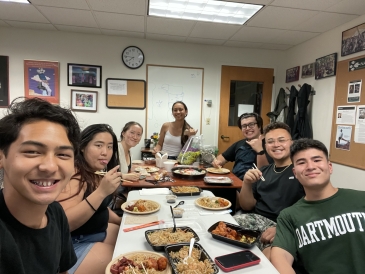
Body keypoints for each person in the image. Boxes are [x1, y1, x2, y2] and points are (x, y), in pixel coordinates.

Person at [0, 97, 79, 273]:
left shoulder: (55, 212)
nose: (50, 166)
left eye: (63, 154)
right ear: (1, 157)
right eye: (32, 152)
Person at [271, 139, 365, 274]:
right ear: (295, 173)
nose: (310, 166)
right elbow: (280, 256)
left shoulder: (361, 199)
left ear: (330, 167)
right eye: (301, 162)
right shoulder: (289, 216)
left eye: (317, 160)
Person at [57, 124, 122, 274]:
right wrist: (101, 192)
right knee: (118, 260)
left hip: (90, 234)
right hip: (71, 244)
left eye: (110, 147)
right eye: (98, 145)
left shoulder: (93, 172)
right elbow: (64, 224)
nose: (105, 152)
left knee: (122, 234)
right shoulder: (75, 175)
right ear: (82, 147)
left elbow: (99, 207)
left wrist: (122, 221)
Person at [234, 122, 305, 260]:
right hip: (256, 222)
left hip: (283, 227)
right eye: (270, 141)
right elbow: (247, 206)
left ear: (292, 143)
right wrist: (247, 184)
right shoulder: (263, 171)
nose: (276, 145)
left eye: (282, 140)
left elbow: (313, 208)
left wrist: (283, 228)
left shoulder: (301, 172)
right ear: (265, 146)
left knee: (272, 255)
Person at [212, 112, 270, 180]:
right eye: (244, 126)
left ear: (259, 126)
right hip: (234, 183)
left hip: (255, 186)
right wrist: (218, 162)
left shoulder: (269, 144)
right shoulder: (240, 144)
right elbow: (222, 157)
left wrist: (260, 151)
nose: (247, 128)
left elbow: (267, 171)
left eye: (251, 124)